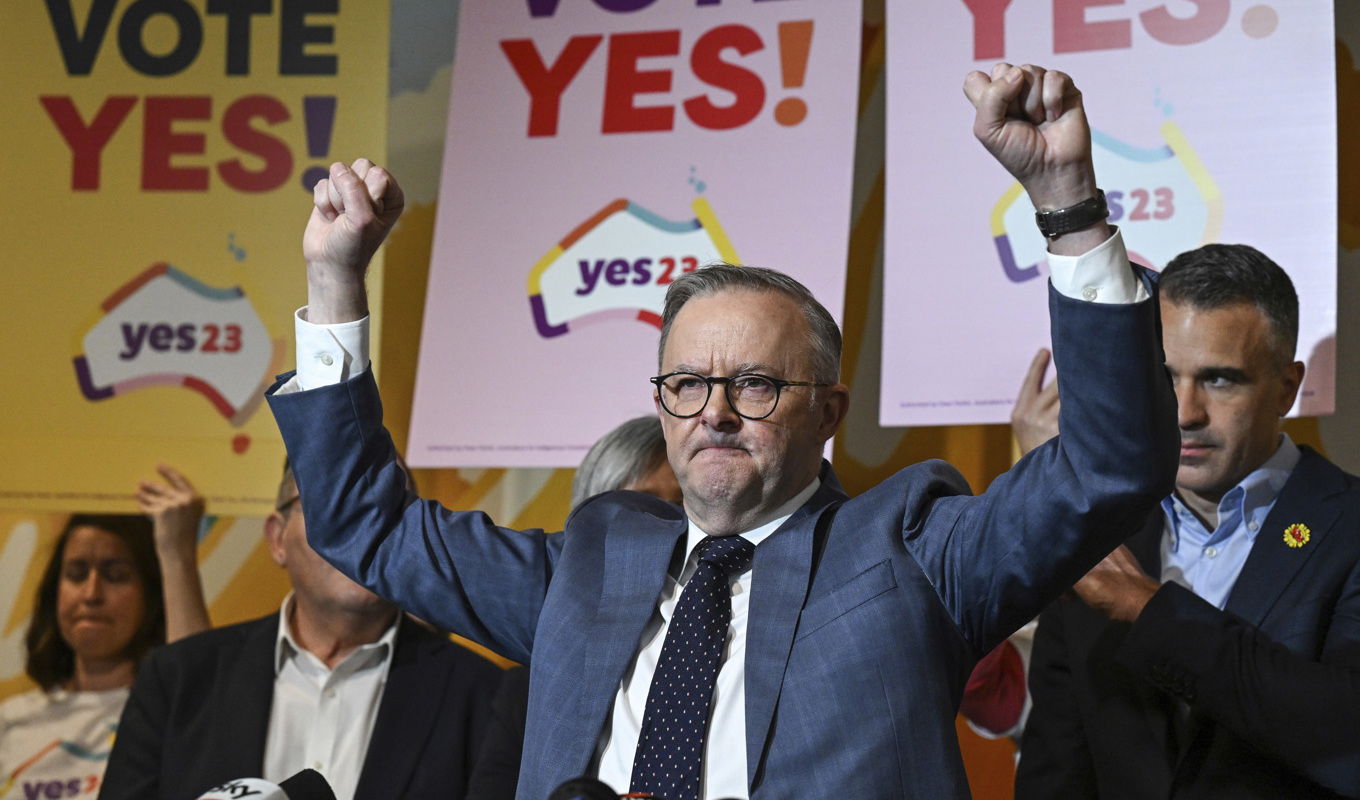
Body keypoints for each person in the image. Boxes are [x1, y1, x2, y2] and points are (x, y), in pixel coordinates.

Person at [266, 64, 1179, 800]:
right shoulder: (588, 564)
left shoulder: (911, 551)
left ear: (828, 410)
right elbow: (365, 527)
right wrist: (335, 282)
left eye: (753, 383)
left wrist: (1066, 201)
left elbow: (1110, 465)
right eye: (688, 383)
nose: (715, 412)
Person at [1012, 245, 1360, 798]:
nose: (1185, 412)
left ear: (1287, 389)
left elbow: (1346, 737)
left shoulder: (1349, 528)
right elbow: (1057, 770)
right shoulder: (1100, 535)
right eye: (1166, 376)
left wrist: (1147, 609)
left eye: (1220, 380)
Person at [99, 460, 504, 800]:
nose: (364, 530)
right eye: (333, 505)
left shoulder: (483, 695)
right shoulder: (178, 677)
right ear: (277, 539)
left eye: (389, 508)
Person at [468, 415, 682, 800]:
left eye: (683, 506)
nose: (671, 527)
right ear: (588, 532)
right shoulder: (534, 685)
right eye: (646, 507)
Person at [0, 466, 209, 800]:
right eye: (76, 573)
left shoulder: (164, 713)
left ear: (151, 595)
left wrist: (177, 552)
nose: (91, 593)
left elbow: (200, 704)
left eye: (116, 575)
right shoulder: (11, 719)